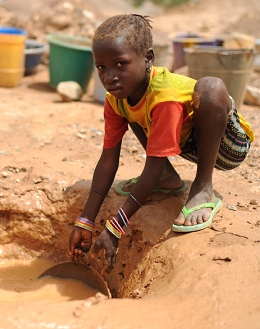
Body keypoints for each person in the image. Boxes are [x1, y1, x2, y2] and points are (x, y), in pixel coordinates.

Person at [69, 14, 255, 276]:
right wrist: (85, 221)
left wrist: (115, 227)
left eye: (120, 64)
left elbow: (151, 166)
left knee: (210, 87)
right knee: (130, 106)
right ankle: (169, 179)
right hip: (184, 140)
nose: (110, 77)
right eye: (101, 67)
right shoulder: (115, 99)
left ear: (148, 58)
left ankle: (203, 187)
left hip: (224, 144)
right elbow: (108, 159)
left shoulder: (164, 96)